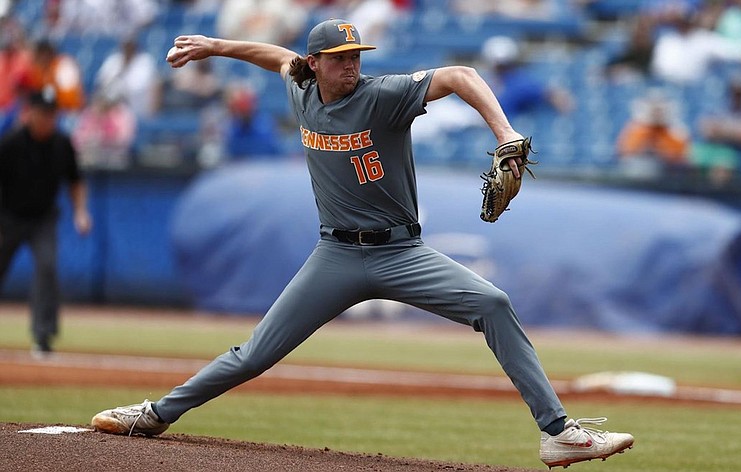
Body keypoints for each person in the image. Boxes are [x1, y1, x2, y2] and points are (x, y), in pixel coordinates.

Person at [89, 19, 634, 469]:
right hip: (336, 256)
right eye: (340, 58)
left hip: (403, 254)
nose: (352, 65)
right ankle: (157, 414)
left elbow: (462, 74)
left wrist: (505, 135)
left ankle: (557, 432)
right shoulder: (301, 90)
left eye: (356, 55)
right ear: (316, 64)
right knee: (255, 353)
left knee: (492, 303)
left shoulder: (384, 97)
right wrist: (215, 46)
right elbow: (273, 54)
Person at [0, 87, 92, 356]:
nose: (48, 120)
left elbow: (75, 181)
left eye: (52, 115)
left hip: (43, 219)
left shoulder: (62, 143)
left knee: (47, 267)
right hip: (8, 218)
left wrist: (81, 212)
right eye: (43, 114)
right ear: (30, 114)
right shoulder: (12, 143)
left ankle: (43, 336)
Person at [690, 78, 741, 185]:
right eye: (734, 93)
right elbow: (706, 130)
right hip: (711, 148)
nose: (737, 97)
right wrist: (733, 132)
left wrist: (721, 130)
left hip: (734, 152)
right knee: (691, 155)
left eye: (740, 94)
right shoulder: (720, 110)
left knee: (723, 163)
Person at [616, 89, 691, 177]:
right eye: (654, 109)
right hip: (640, 172)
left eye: (659, 110)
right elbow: (625, 152)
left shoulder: (677, 130)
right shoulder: (635, 129)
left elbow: (681, 156)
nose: (656, 113)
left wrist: (662, 148)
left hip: (668, 173)